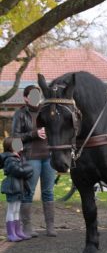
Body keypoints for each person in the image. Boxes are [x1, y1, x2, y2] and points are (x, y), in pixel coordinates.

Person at [12, 85, 57, 237]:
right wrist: (34, 134)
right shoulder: (20, 114)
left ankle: (50, 227)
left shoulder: (46, 111)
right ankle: (27, 227)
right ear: (25, 98)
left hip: (49, 156)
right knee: (28, 192)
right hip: (31, 157)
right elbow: (15, 137)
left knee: (48, 192)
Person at [0, 137, 33, 242]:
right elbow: (18, 171)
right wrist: (29, 168)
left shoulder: (17, 157)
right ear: (12, 146)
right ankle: (11, 233)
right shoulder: (10, 159)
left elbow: (23, 171)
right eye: (18, 144)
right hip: (12, 186)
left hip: (19, 186)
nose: (21, 145)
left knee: (16, 210)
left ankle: (17, 231)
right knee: (12, 209)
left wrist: (26, 170)